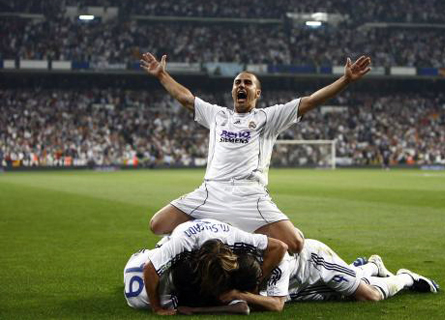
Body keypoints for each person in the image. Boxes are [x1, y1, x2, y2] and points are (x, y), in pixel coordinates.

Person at [140, 52, 372, 253]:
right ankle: (212, 243)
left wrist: (345, 80)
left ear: (257, 93)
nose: (241, 86)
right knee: (158, 224)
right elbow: (185, 98)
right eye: (237, 82)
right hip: (212, 191)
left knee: (294, 243)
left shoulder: (268, 117)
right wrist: (161, 75)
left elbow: (310, 101)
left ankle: (239, 244)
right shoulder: (217, 115)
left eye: (248, 83)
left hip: (249, 195)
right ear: (232, 91)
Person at [218, 239, 439, 311]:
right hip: (300, 281)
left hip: (318, 263)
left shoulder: (278, 264)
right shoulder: (242, 263)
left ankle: (407, 278)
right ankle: (372, 266)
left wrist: (242, 294)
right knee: (347, 284)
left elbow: (276, 305)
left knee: (369, 295)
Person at [123, 218, 287, 315]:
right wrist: (157, 308)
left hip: (139, 261)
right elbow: (149, 269)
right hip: (178, 240)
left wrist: (257, 283)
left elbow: (280, 247)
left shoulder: (235, 237)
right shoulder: (183, 244)